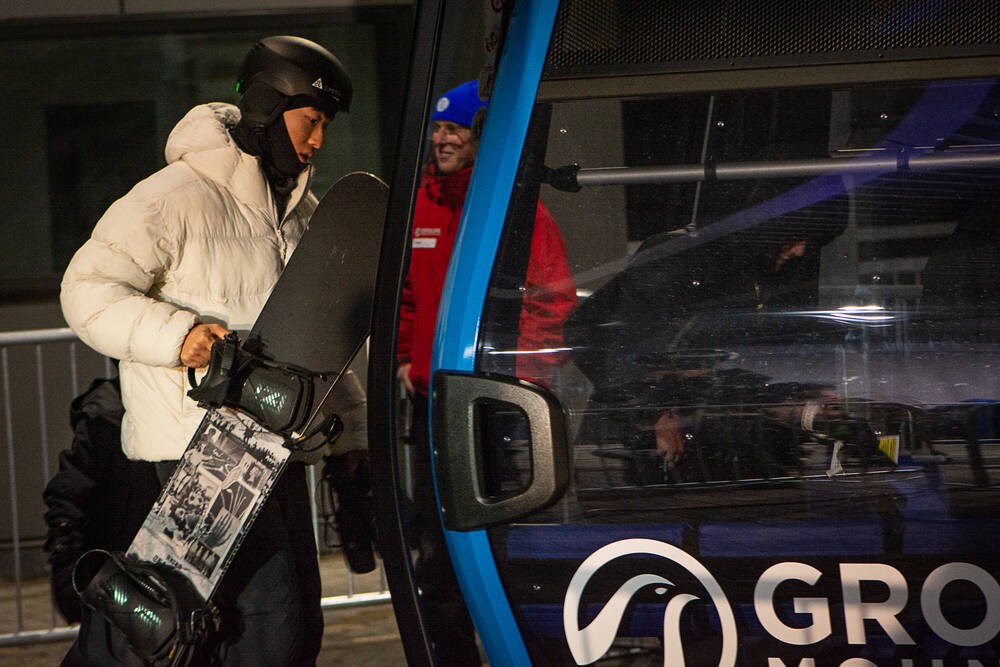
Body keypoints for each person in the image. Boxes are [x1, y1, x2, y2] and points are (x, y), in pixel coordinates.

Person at [59, 35, 352, 666]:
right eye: (312, 121)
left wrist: (351, 445)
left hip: (278, 450)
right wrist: (179, 335)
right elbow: (87, 289)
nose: (318, 141)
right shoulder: (176, 196)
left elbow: (319, 335)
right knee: (255, 626)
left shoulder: (301, 215)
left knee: (287, 623)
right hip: (197, 455)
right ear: (272, 108)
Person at [395, 79, 578, 664]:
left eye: (456, 129)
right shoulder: (420, 205)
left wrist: (518, 379)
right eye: (439, 127)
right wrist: (405, 358)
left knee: (505, 546)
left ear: (482, 137)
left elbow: (551, 303)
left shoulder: (515, 211)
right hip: (430, 408)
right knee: (438, 551)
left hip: (495, 408)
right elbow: (404, 298)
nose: (442, 138)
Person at [566, 168, 849, 481]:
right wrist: (654, 413)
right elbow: (597, 337)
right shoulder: (683, 259)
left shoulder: (748, 271)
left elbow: (718, 364)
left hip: (694, 448)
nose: (801, 250)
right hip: (642, 451)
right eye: (797, 236)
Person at [43, 374, 161, 625]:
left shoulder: (105, 410)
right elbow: (71, 494)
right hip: (120, 574)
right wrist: (69, 569)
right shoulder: (105, 415)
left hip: (144, 574)